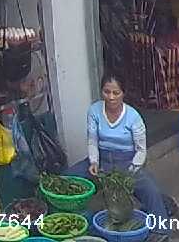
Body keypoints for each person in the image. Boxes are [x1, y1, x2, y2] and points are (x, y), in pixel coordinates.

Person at [66, 74, 168, 220]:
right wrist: (94, 162)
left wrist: (131, 171)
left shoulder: (133, 117)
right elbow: (92, 141)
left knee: (152, 192)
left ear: (123, 93)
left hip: (127, 163)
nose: (111, 97)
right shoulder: (94, 111)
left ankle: (161, 228)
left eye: (116, 93)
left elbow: (141, 151)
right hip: (101, 160)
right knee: (67, 178)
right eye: (106, 92)